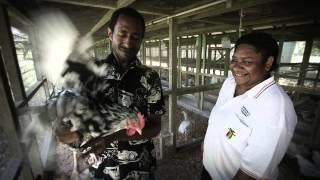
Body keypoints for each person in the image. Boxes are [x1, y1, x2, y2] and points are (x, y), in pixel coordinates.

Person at [56, 7, 165, 180]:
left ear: (141, 40)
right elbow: (68, 125)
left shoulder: (150, 78)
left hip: (139, 168)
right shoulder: (89, 74)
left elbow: (155, 126)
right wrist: (68, 133)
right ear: (110, 33)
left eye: (135, 37)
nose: (128, 43)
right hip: (101, 169)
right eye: (122, 33)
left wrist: (112, 136)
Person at [201, 32, 297, 180]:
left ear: (268, 63)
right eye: (234, 59)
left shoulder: (276, 108)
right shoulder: (230, 83)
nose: (236, 67)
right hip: (208, 171)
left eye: (247, 62)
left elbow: (251, 174)